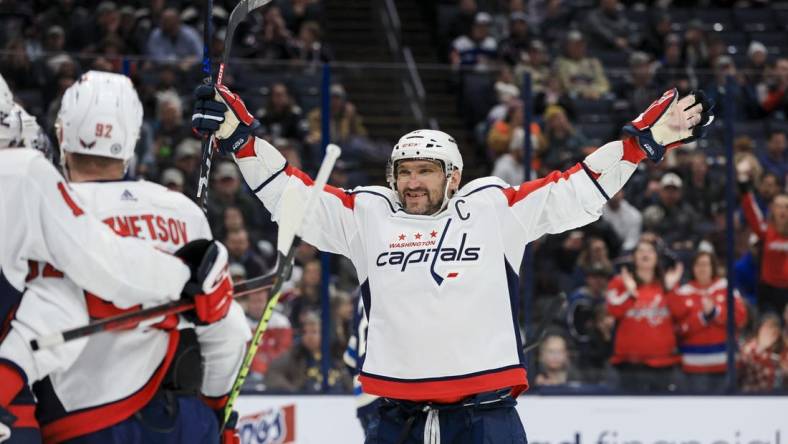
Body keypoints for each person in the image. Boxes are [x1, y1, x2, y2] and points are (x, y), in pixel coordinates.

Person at [192, 82, 713, 442]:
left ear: (454, 176)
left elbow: (574, 190)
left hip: (485, 417)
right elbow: (293, 198)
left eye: (426, 170)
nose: (413, 182)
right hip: (393, 418)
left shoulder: (493, 208)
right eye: (404, 171)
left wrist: (642, 143)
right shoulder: (368, 215)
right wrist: (240, 138)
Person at [7, 71, 248, 444]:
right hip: (183, 421)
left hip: (85, 423)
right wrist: (221, 419)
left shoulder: (48, 205)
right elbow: (226, 330)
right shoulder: (183, 213)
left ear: (61, 134)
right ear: (133, 140)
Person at [606, 238, 684, 392]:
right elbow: (614, 310)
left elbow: (680, 313)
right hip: (629, 364)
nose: (645, 254)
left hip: (663, 363)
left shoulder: (668, 284)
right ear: (634, 257)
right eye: (640, 251)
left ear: (656, 257)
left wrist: (670, 289)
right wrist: (630, 293)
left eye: (649, 251)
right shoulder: (619, 282)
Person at [669, 251, 748, 392]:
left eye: (706, 264)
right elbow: (678, 329)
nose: (702, 268)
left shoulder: (726, 288)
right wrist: (703, 318)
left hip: (726, 364)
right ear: (692, 268)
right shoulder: (683, 292)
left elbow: (741, 318)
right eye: (698, 264)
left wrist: (716, 312)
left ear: (713, 267)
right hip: (693, 367)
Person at [738, 160, 788, 315]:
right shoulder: (765, 230)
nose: (782, 210)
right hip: (768, 292)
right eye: (778, 206)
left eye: (786, 206)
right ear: (772, 209)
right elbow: (750, 209)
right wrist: (743, 179)